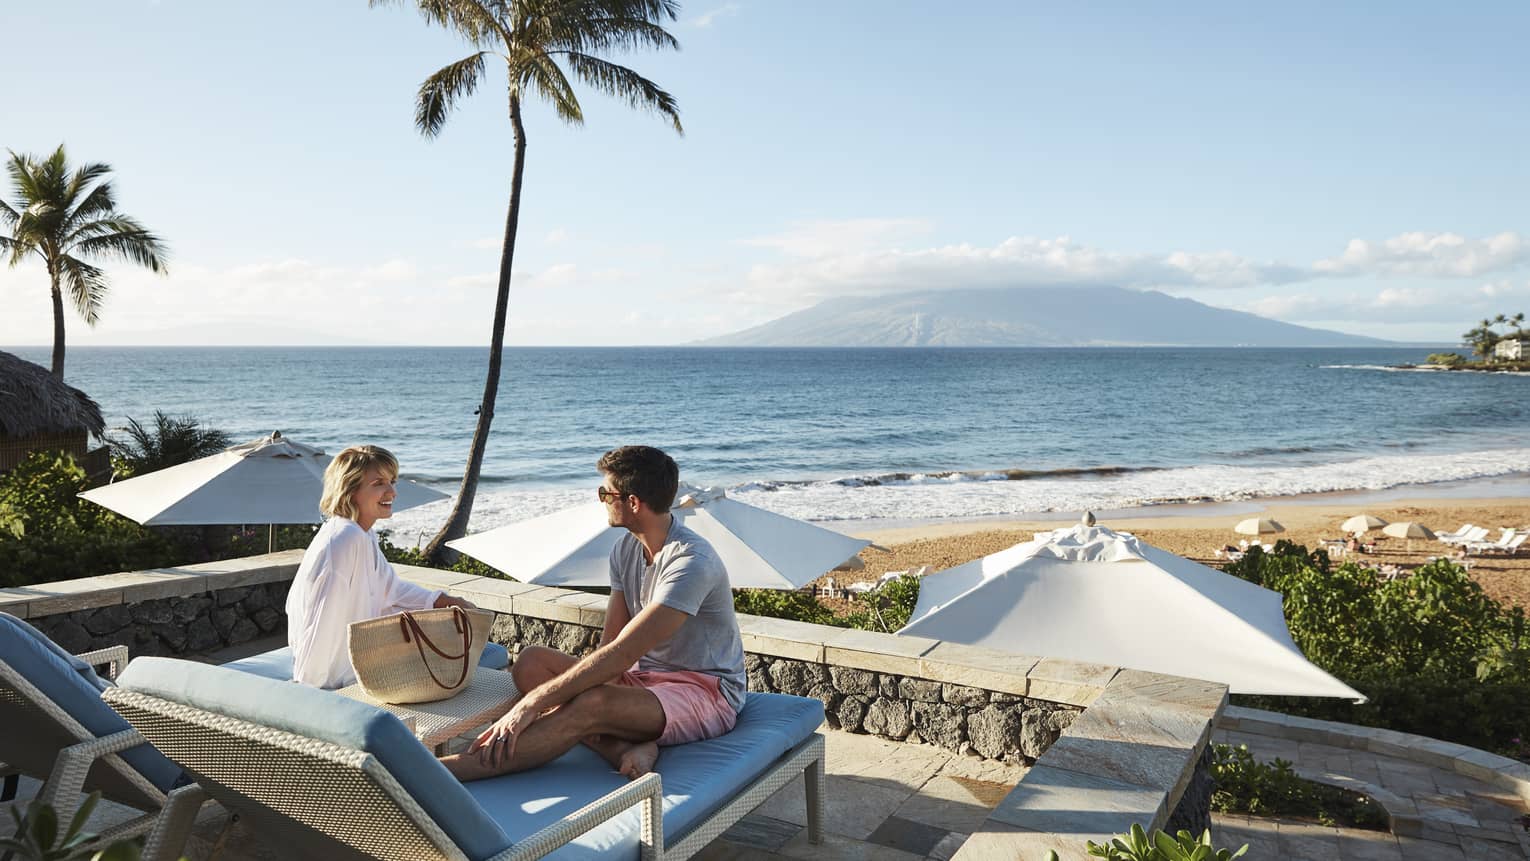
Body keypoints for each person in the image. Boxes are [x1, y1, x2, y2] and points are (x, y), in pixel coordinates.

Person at [442, 445, 745, 782]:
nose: (601, 499)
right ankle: (627, 747)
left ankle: (450, 772)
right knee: (531, 663)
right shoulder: (625, 550)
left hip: (703, 691)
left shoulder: (691, 563)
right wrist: (572, 689)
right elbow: (610, 645)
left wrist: (529, 706)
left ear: (633, 502)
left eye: (605, 492)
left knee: (592, 703)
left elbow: (623, 652)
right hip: (641, 680)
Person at [285, 444, 475, 689]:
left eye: (392, 481)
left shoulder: (362, 535)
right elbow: (321, 623)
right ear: (350, 490)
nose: (392, 492)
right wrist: (311, 696)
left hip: (358, 665)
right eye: (379, 483)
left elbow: (391, 589)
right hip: (336, 680)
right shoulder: (344, 540)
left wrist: (444, 600)